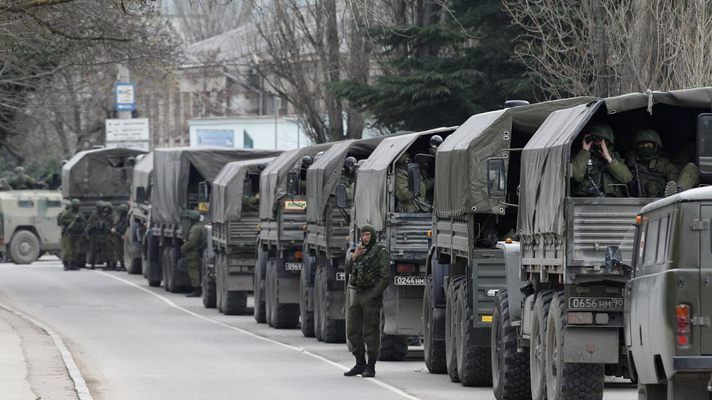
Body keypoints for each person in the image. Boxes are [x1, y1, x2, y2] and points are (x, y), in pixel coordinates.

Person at [344, 224, 390, 378]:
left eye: (368, 235)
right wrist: (354, 256)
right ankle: (359, 363)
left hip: (371, 295)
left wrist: (373, 294)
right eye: (363, 235)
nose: (365, 238)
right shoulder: (358, 250)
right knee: (352, 329)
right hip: (357, 293)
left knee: (370, 331)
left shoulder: (380, 251)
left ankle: (371, 365)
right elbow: (348, 269)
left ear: (373, 236)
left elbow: (385, 278)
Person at [571, 122, 633, 197]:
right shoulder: (582, 156)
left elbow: (627, 178)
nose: (597, 143)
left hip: (613, 202)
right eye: (594, 139)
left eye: (600, 140)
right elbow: (576, 175)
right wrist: (585, 151)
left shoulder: (614, 157)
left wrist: (608, 158)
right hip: (588, 201)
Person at [626, 128, 679, 198]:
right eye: (641, 145)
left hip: (661, 201)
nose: (645, 147)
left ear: (656, 147)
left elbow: (673, 184)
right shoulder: (631, 164)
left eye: (648, 145)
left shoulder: (663, 165)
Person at [181, 210, 205, 298]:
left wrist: (183, 248)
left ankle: (196, 290)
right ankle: (196, 289)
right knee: (195, 270)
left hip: (193, 253)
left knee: (193, 271)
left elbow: (192, 242)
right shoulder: (199, 226)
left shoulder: (195, 228)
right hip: (196, 252)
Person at [85, 202, 116, 270]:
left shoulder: (105, 215)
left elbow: (108, 223)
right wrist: (88, 232)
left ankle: (108, 264)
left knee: (105, 249)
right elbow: (89, 224)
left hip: (102, 234)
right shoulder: (94, 214)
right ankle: (92, 264)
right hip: (94, 234)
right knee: (93, 250)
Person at [59, 199, 86, 270]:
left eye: (79, 206)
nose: (78, 207)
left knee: (75, 250)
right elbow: (62, 220)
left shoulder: (79, 213)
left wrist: (80, 221)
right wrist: (73, 220)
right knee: (68, 249)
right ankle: (66, 264)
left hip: (76, 234)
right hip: (68, 234)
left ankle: (73, 264)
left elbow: (84, 221)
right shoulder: (68, 213)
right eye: (77, 206)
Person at [112, 204, 129, 271]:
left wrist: (124, 235)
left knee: (122, 251)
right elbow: (116, 225)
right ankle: (120, 264)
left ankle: (123, 264)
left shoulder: (126, 219)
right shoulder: (119, 218)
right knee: (118, 251)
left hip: (123, 236)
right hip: (118, 235)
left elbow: (126, 227)